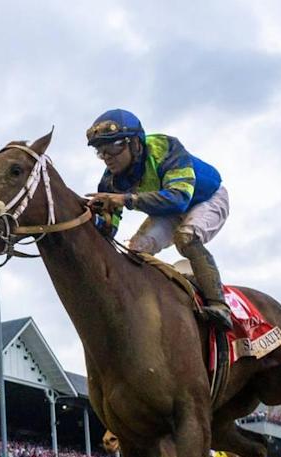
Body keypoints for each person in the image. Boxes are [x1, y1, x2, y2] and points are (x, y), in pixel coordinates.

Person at [85, 109, 231, 329]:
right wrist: (90, 217)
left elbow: (179, 198)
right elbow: (109, 230)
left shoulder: (165, 148)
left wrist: (125, 199)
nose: (107, 158)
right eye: (101, 152)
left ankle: (220, 306)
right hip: (169, 210)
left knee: (186, 237)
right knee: (135, 251)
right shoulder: (110, 181)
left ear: (135, 143)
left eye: (113, 148)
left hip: (206, 198)